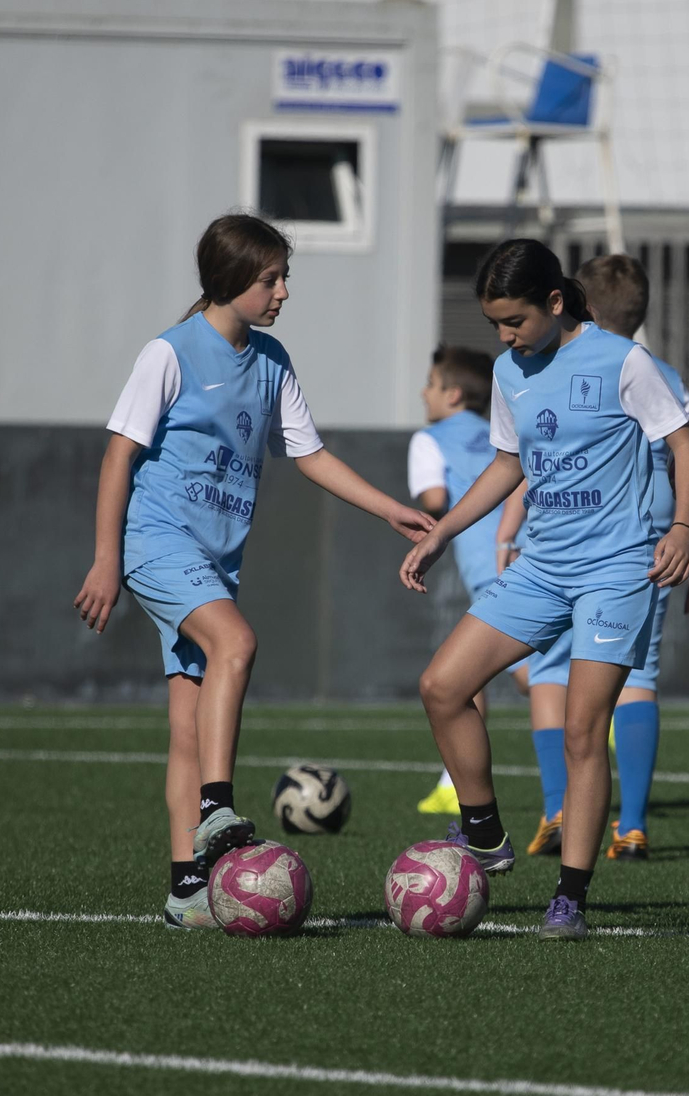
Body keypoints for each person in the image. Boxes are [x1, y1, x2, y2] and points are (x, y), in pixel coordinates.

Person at [75, 213, 433, 931]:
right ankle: (217, 808)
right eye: (271, 279)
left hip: (214, 559)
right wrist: (107, 559)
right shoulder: (170, 353)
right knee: (236, 642)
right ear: (230, 279)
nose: (283, 292)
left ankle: (185, 892)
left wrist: (389, 509)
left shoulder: (271, 361)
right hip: (157, 542)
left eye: (284, 277)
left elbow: (310, 454)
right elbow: (119, 455)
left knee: (187, 724)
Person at [399, 238, 689, 941]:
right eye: (495, 324)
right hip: (541, 566)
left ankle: (569, 897)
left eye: (515, 320)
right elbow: (508, 464)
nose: (505, 337)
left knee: (581, 730)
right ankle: (484, 831)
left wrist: (684, 527)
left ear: (556, 302)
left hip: (616, 570)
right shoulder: (509, 370)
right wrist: (442, 532)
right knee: (442, 686)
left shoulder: (623, 361)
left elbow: (685, 444)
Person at [497, 254, 689, 860]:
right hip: (654, 542)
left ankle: (557, 808)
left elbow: (543, 461)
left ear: (576, 304)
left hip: (600, 542)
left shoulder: (584, 365)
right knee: (637, 675)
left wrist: (507, 534)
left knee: (550, 669)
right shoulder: (666, 373)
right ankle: (633, 824)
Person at [406, 345, 507, 816]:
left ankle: (456, 784)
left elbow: (434, 498)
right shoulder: (499, 434)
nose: (422, 393)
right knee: (476, 671)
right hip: (535, 551)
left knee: (491, 672)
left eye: (430, 383)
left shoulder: (430, 439)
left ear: (452, 394)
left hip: (488, 562)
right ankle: (452, 780)